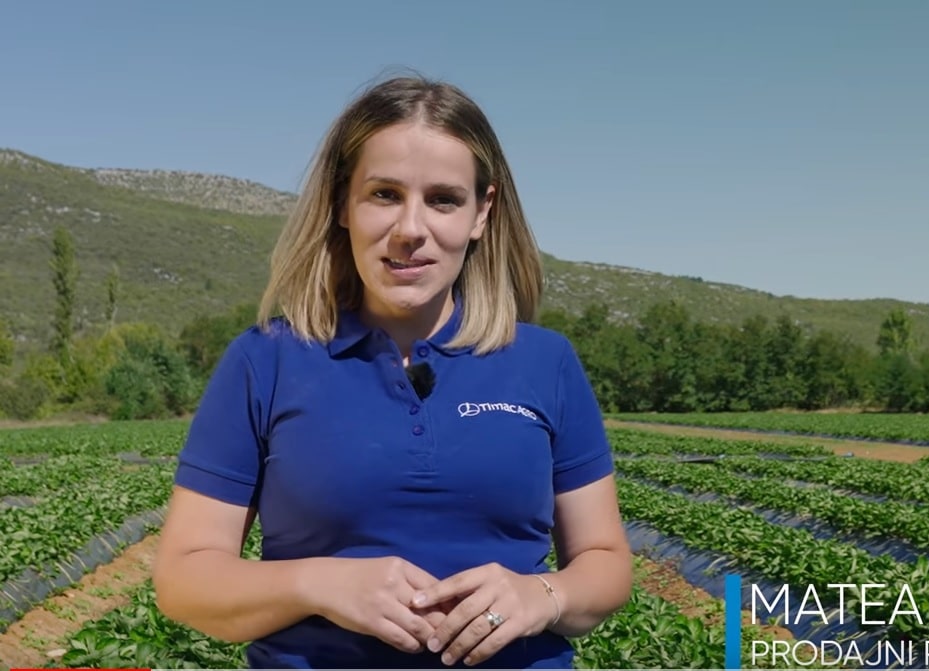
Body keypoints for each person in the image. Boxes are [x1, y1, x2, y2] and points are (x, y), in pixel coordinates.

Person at [152, 73, 633, 669]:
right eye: (384, 194)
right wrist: (319, 584)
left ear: (481, 213)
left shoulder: (545, 361)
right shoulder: (266, 360)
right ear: (340, 204)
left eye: (443, 199)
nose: (410, 229)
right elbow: (183, 579)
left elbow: (605, 561)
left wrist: (541, 595)